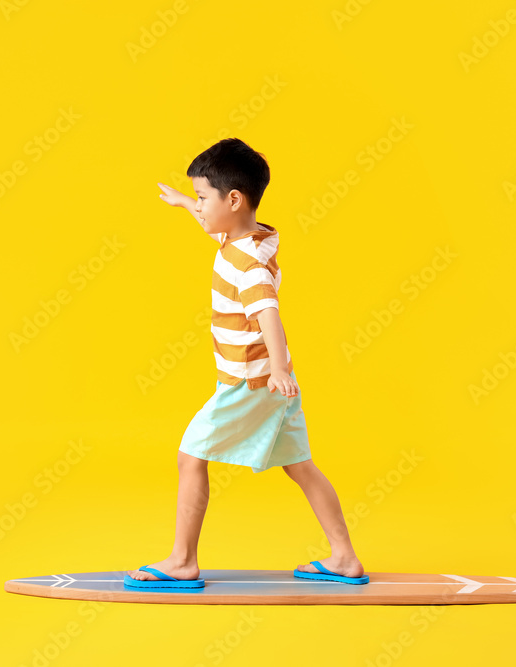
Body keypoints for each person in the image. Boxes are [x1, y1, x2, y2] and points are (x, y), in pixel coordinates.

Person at [125, 138, 367, 588]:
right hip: (274, 380)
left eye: (202, 197)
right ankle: (344, 558)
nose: (198, 207)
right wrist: (183, 202)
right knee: (301, 466)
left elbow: (267, 312)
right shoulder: (251, 235)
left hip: (251, 382)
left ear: (233, 199)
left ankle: (183, 561)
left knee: (190, 456)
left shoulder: (248, 264)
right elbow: (210, 224)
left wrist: (275, 369)